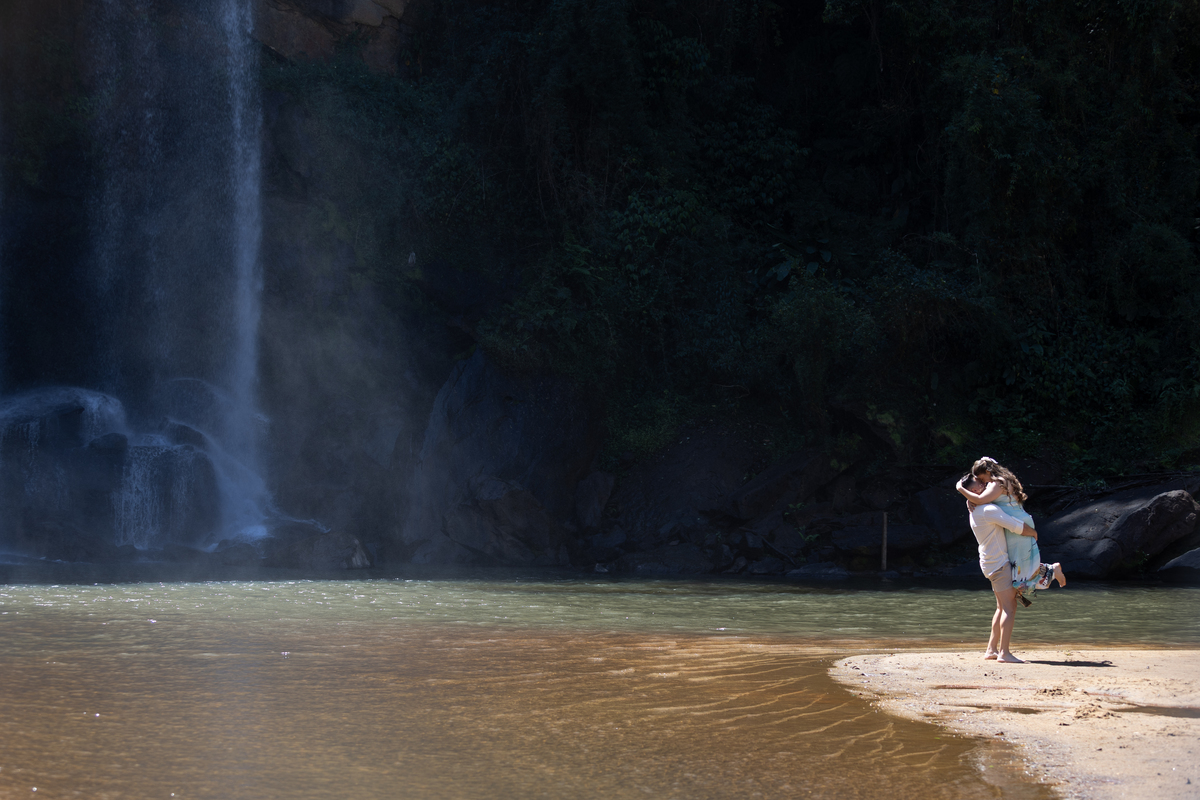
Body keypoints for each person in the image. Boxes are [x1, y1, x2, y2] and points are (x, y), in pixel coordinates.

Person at [953, 470, 1039, 663]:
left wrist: (966, 495)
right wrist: (1033, 533)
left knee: (1001, 607)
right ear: (974, 491)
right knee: (1009, 607)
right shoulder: (988, 510)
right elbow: (1016, 526)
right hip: (998, 564)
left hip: (990, 562)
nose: (986, 485)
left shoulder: (976, 509)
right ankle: (1004, 653)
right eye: (980, 485)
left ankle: (991, 650)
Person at [959, 457, 1066, 597]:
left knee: (1021, 569)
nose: (983, 482)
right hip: (1012, 522)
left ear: (988, 472)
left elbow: (980, 499)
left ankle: (1052, 570)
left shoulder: (997, 483)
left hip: (1017, 523)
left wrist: (960, 489)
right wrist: (969, 500)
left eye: (982, 478)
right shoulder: (997, 482)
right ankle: (1048, 571)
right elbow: (980, 498)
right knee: (1019, 564)